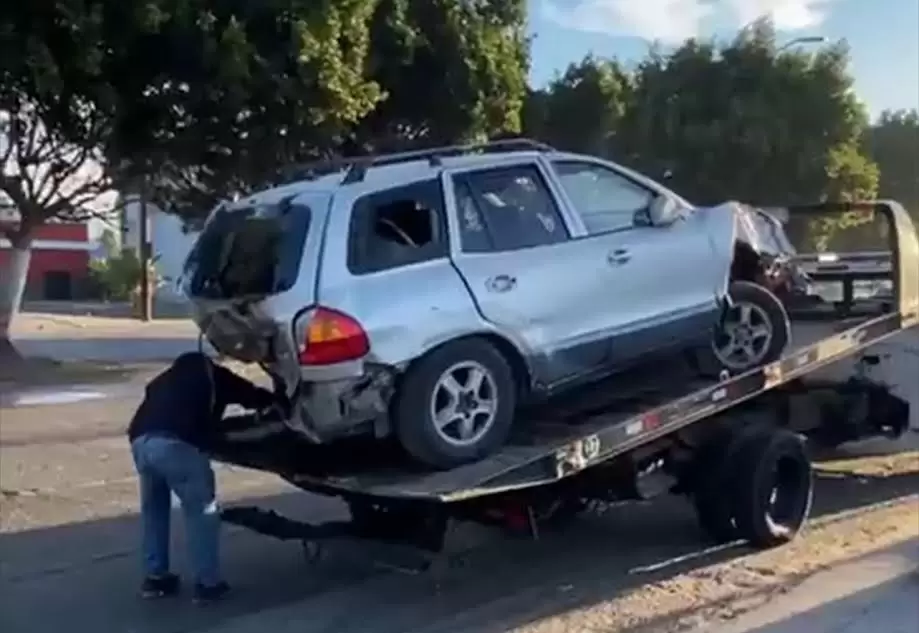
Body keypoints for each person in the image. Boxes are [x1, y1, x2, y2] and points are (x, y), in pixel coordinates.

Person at [127, 351, 278, 604]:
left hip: (140, 442)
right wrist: (275, 402)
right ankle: (208, 584)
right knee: (202, 513)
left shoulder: (162, 381)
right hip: (176, 445)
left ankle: (156, 578)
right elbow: (252, 396)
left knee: (154, 510)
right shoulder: (213, 375)